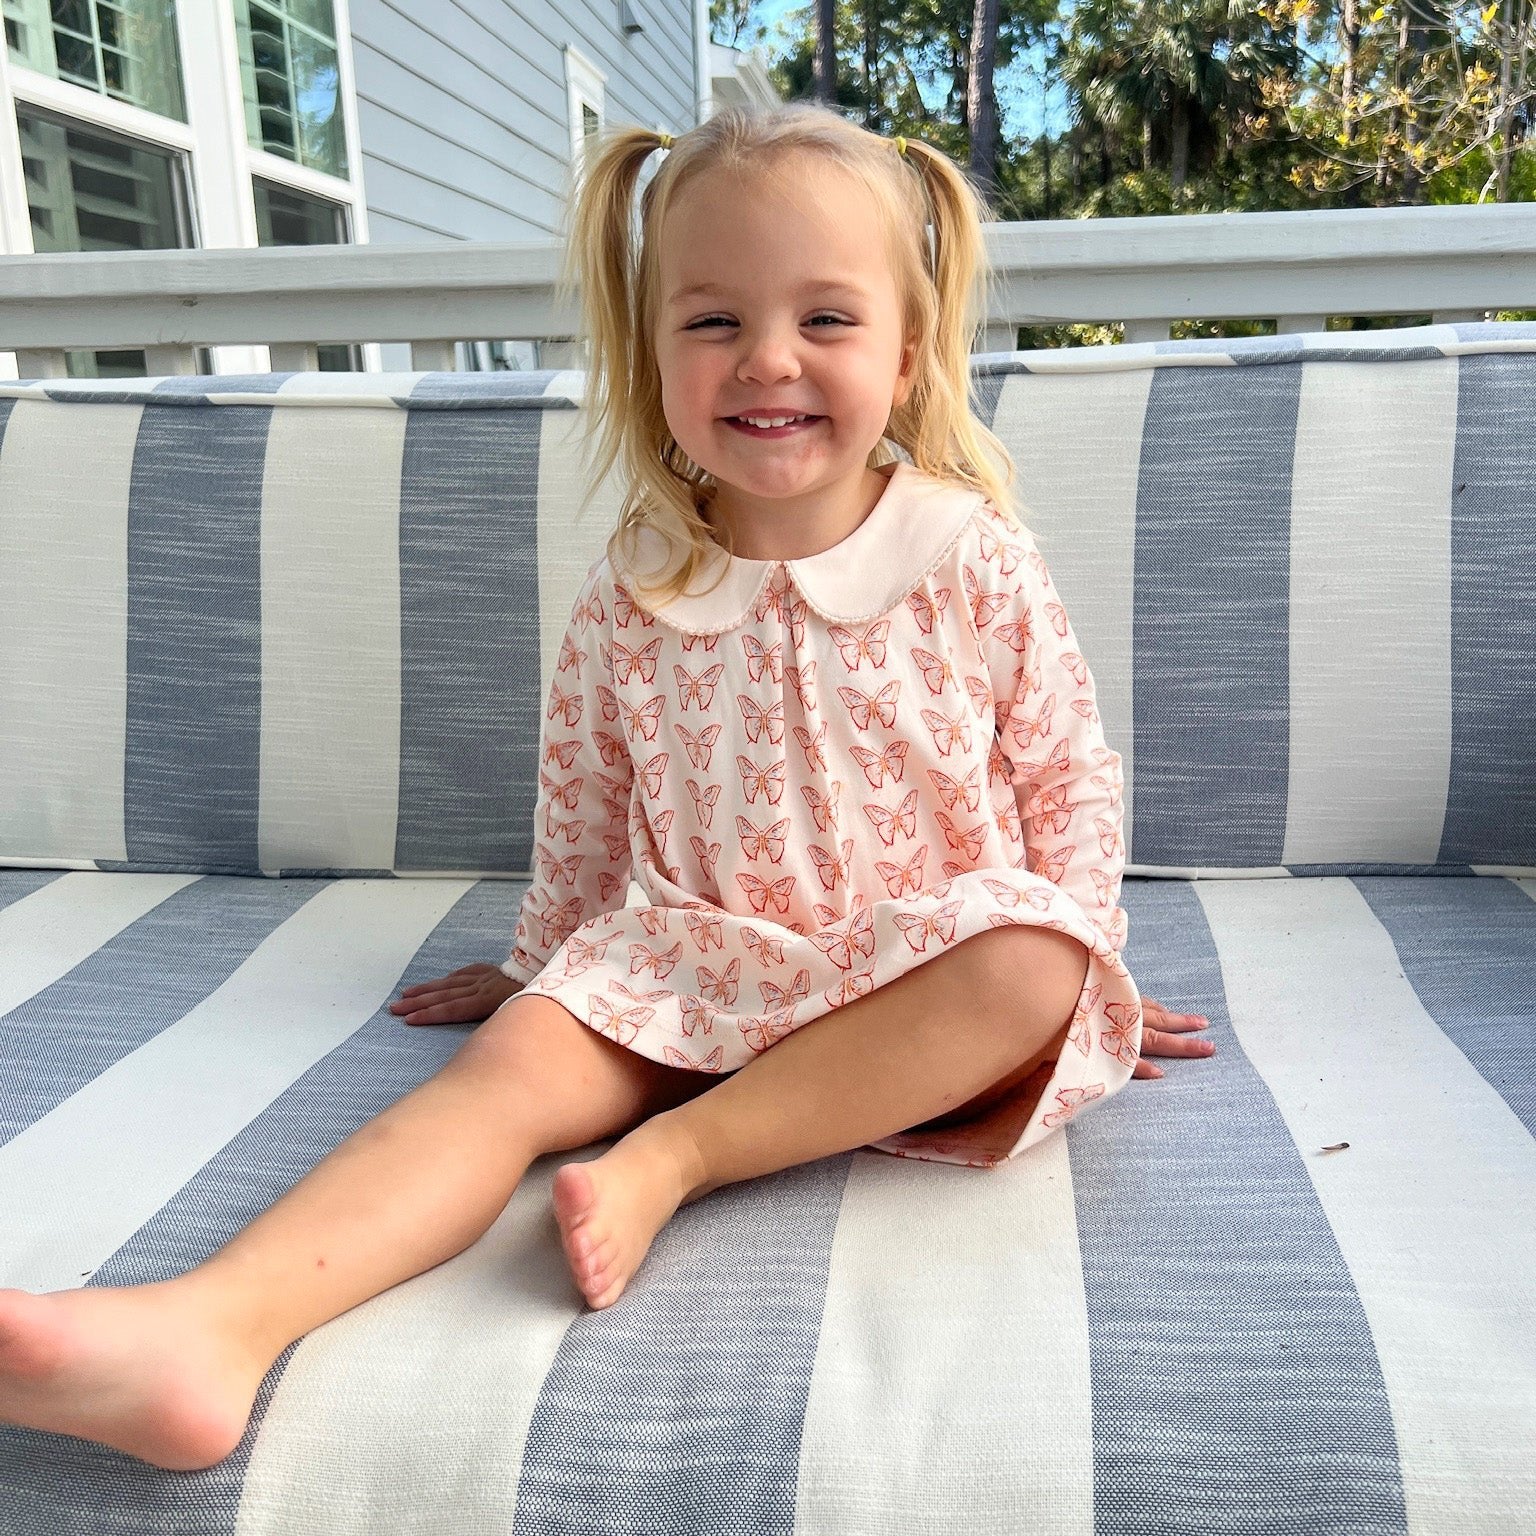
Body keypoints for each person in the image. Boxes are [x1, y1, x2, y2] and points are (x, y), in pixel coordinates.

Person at [0, 103, 1213, 1475]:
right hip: (694, 973)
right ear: (652, 351)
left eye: (826, 319)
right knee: (504, 1072)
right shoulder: (640, 589)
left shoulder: (967, 557)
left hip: (909, 977)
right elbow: (581, 799)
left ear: (907, 351)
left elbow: (1066, 771)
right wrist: (540, 970)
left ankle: (677, 1159)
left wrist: (1088, 952)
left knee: (1029, 968)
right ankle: (207, 1332)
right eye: (713, 322)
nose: (769, 360)